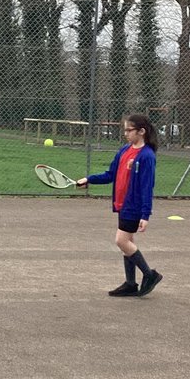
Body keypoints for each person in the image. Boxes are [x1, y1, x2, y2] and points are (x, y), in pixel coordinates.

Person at [75, 113, 162, 297]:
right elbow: (110, 174)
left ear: (141, 131)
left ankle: (149, 275)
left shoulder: (146, 156)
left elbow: (147, 187)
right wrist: (89, 179)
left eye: (129, 130)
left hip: (133, 206)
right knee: (127, 243)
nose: (125, 134)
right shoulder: (124, 150)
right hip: (122, 204)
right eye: (125, 130)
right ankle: (130, 283)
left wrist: (145, 214)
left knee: (121, 241)